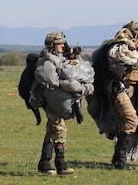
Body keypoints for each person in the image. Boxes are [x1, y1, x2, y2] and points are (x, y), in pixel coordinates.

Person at [30, 32, 94, 175]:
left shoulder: (60, 58)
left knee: (53, 130)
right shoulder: (46, 62)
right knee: (59, 129)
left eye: (63, 43)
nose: (62, 46)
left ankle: (46, 164)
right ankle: (59, 164)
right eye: (59, 44)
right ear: (52, 45)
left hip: (57, 99)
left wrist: (74, 58)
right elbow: (53, 82)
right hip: (50, 100)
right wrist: (72, 85)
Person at [104, 21, 138, 169]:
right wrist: (137, 49)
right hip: (119, 90)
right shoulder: (121, 47)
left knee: (124, 123)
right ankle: (121, 159)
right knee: (131, 120)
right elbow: (129, 59)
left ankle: (119, 161)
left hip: (128, 90)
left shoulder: (131, 47)